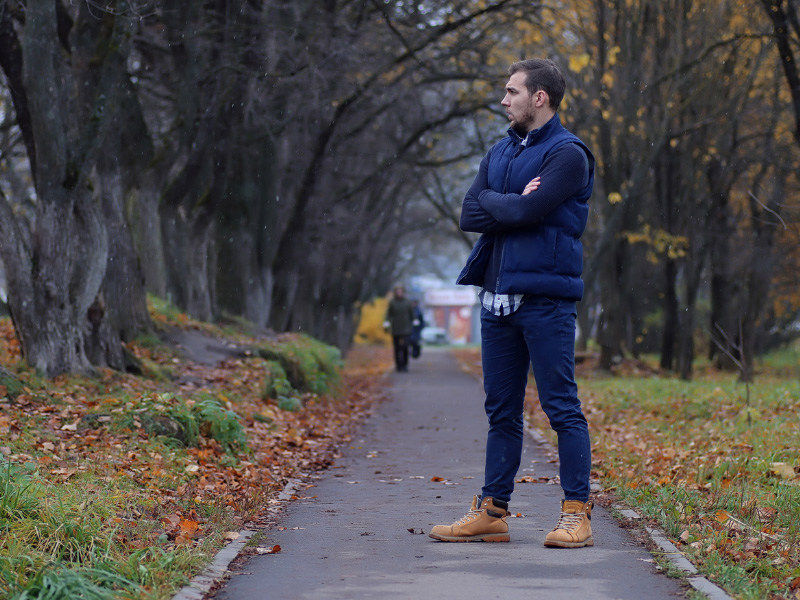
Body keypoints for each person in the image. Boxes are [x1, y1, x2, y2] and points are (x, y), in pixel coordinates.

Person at [429, 58, 595, 547]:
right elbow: (467, 211)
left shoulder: (568, 154)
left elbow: (525, 211)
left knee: (561, 408)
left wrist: (502, 204)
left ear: (538, 97)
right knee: (501, 411)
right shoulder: (500, 150)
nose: (504, 100)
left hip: (546, 300)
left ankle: (576, 514)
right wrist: (511, 202)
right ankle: (492, 511)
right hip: (497, 300)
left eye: (511, 91)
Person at [383, 286, 415, 372]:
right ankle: (398, 365)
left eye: (401, 291)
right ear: (395, 292)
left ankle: (405, 365)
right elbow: (389, 314)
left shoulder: (408, 302)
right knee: (397, 348)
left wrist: (414, 321)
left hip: (406, 328)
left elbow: (411, 313)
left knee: (405, 347)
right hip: (396, 328)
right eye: (398, 291)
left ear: (403, 292)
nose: (399, 293)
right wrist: (386, 322)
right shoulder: (392, 302)